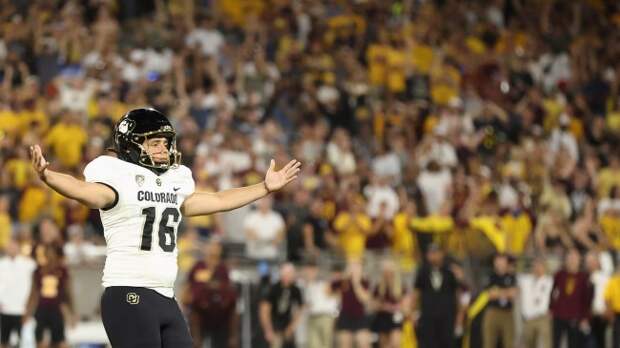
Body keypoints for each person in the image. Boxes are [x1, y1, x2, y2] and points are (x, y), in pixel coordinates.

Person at [29, 108, 301, 347]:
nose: (163, 149)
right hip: (128, 292)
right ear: (132, 145)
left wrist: (264, 188)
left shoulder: (174, 181)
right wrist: (48, 175)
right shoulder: (117, 179)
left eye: (165, 143)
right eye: (155, 143)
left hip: (165, 296)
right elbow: (82, 190)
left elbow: (219, 199)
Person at [184, 238, 237, 348]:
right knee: (194, 311)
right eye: (212, 246)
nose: (213, 249)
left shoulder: (223, 268)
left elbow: (227, 288)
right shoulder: (198, 266)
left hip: (220, 308)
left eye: (217, 247)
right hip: (200, 307)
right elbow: (188, 286)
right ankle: (196, 342)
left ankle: (232, 339)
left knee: (233, 310)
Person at [413, 244, 464, 348]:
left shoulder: (450, 272)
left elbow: (458, 295)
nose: (433, 256)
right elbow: (416, 293)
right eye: (431, 253)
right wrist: (414, 312)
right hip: (428, 317)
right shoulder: (423, 271)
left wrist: (459, 317)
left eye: (436, 253)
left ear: (442, 254)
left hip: (447, 317)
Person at [23, 244, 74, 348]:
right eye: (48, 253)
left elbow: (68, 293)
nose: (50, 256)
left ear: (56, 255)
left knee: (59, 341)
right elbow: (33, 292)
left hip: (56, 309)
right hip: (41, 308)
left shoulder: (62, 271)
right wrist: (27, 311)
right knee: (40, 339)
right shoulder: (38, 271)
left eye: (52, 253)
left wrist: (72, 312)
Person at [550, 248, 593, 348]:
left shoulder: (584, 277)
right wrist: (551, 308)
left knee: (573, 344)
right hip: (558, 315)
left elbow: (587, 299)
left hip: (575, 316)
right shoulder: (560, 274)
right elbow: (552, 292)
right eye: (570, 257)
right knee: (555, 343)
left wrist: (585, 317)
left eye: (574, 257)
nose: (572, 260)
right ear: (566, 259)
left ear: (579, 260)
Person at [0, 239, 37, 348]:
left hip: (23, 309)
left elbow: (34, 286)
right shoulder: (1, 264)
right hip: (4, 309)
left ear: (19, 247)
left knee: (26, 342)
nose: (12, 249)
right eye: (9, 246)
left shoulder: (29, 264)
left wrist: (30, 306)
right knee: (4, 340)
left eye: (14, 246)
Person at [259, 263, 304, 348]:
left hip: (287, 326)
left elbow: (300, 309)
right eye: (285, 273)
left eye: (290, 274)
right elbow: (264, 310)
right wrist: (268, 330)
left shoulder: (295, 290)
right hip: (274, 325)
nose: (288, 276)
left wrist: (292, 327)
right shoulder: (273, 289)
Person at [482, 253, 517, 348]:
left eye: (503, 260)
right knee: (489, 343)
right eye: (498, 260)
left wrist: (498, 292)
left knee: (509, 342)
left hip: (507, 313)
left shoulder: (512, 276)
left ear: (506, 262)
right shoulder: (490, 276)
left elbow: (514, 293)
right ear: (494, 262)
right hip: (493, 312)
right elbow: (490, 294)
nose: (500, 262)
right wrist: (506, 292)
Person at [517, 257, 553, 348]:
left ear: (545, 267)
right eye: (535, 265)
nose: (537, 268)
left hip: (543, 317)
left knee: (545, 344)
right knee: (528, 344)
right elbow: (515, 269)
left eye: (540, 265)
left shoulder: (550, 281)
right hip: (528, 318)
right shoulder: (525, 280)